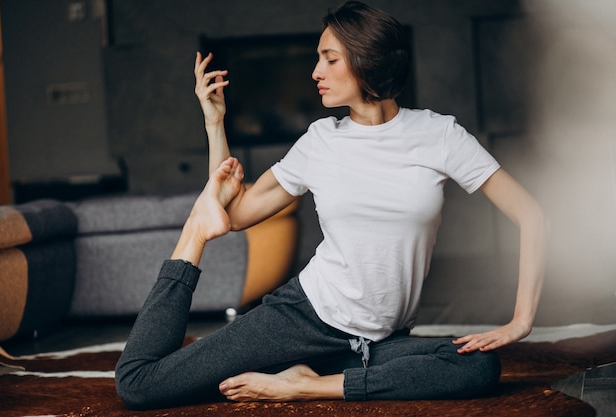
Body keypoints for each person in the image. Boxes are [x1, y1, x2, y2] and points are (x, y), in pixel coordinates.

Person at [115, 1, 548, 410]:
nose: (315, 71)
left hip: (380, 341)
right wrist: (214, 124)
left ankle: (308, 384)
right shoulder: (321, 141)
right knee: (140, 385)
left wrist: (521, 320)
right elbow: (233, 212)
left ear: (365, 60)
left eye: (329, 58)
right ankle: (193, 239)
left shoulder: (440, 136)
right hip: (301, 320)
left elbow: (530, 216)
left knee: (478, 365)